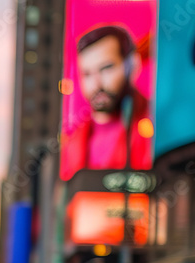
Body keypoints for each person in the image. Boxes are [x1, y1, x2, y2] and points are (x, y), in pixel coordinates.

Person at [60, 25, 152, 180]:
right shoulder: (72, 143)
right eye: (87, 74)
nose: (96, 84)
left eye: (106, 69)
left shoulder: (154, 126)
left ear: (132, 65)